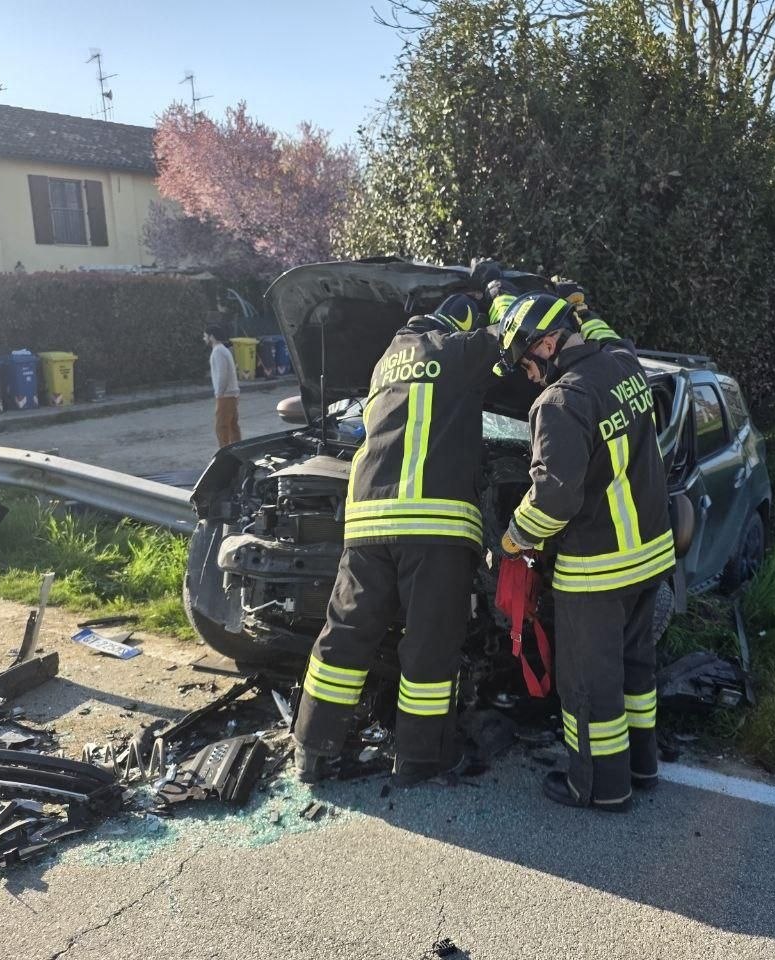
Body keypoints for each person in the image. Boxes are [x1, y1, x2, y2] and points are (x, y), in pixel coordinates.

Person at [293, 278, 502, 788]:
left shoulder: (385, 362)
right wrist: (496, 291)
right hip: (435, 526)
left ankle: (312, 751)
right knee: (429, 645)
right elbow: (513, 332)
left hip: (367, 522)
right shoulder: (463, 349)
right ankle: (419, 759)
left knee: (344, 636)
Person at [494, 287, 674, 812]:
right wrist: (584, 307)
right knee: (635, 672)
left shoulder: (560, 402)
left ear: (548, 344)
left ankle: (598, 786)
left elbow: (553, 499)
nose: (528, 376)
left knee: (590, 688)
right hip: (650, 560)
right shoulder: (623, 364)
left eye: (526, 361)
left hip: (597, 571)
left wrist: (511, 539)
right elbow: (606, 335)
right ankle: (642, 767)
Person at [204, 321, 241, 447]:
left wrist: (219, 393)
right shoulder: (223, 350)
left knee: (222, 426)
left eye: (205, 336)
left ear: (212, 337)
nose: (204, 338)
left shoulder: (218, 351)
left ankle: (224, 451)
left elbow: (222, 374)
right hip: (232, 394)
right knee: (232, 425)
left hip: (226, 395)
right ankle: (238, 449)